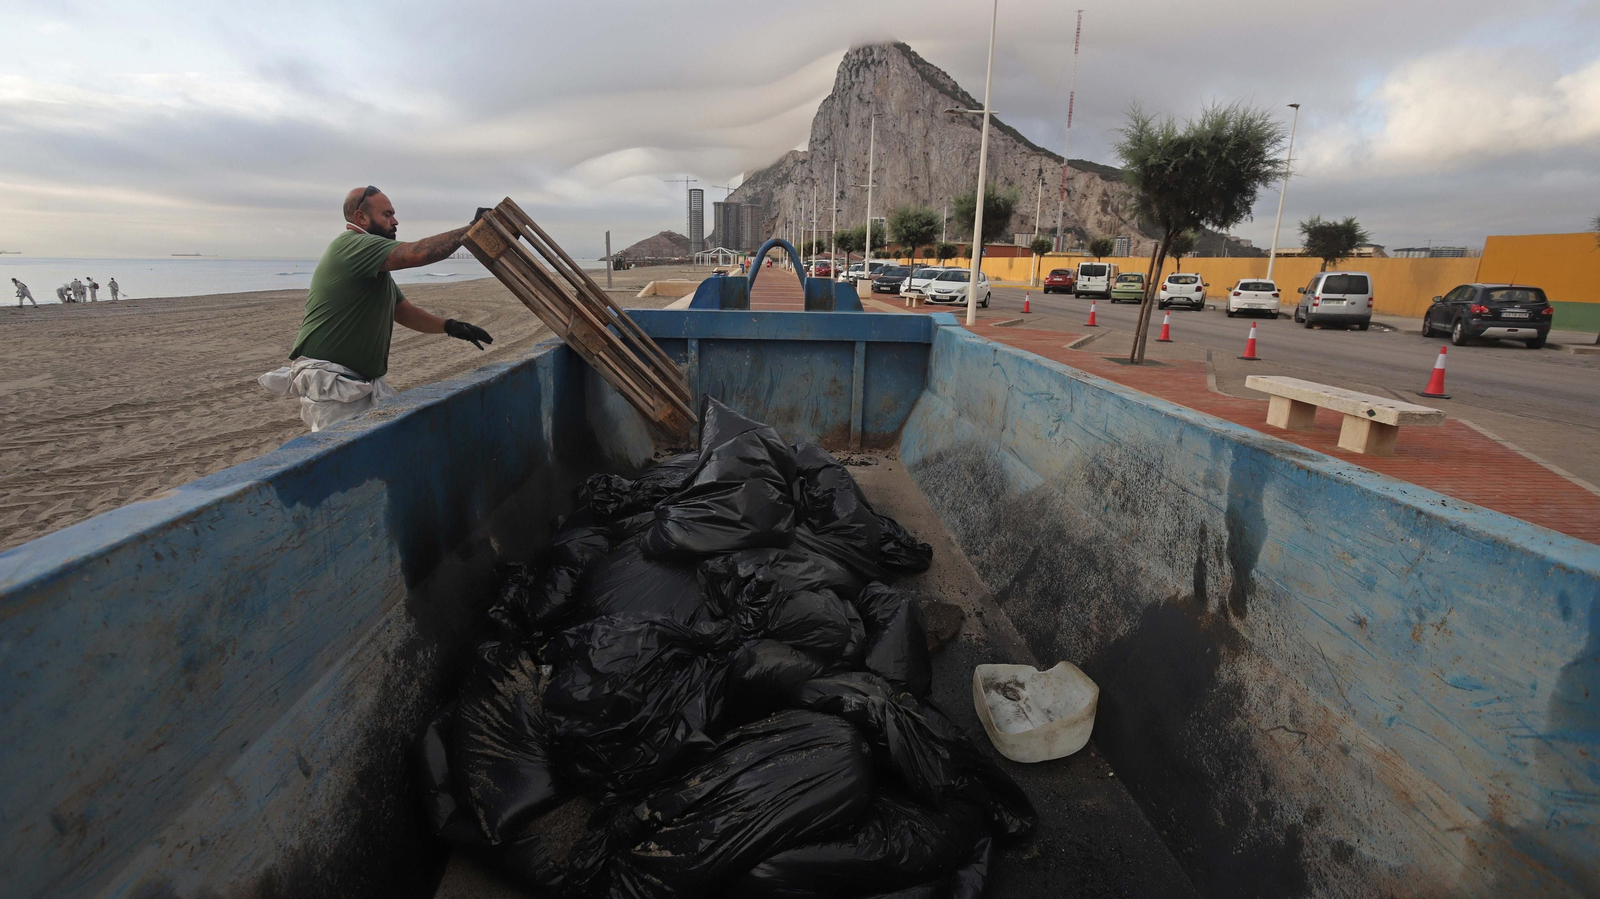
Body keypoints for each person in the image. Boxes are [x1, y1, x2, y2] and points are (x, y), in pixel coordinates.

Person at [259, 185, 495, 432]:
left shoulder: (372, 265)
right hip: (334, 385)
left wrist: (451, 326)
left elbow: (403, 311)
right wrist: (471, 230)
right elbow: (415, 253)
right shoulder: (353, 245)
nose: (395, 221)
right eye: (387, 214)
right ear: (361, 217)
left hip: (358, 385)